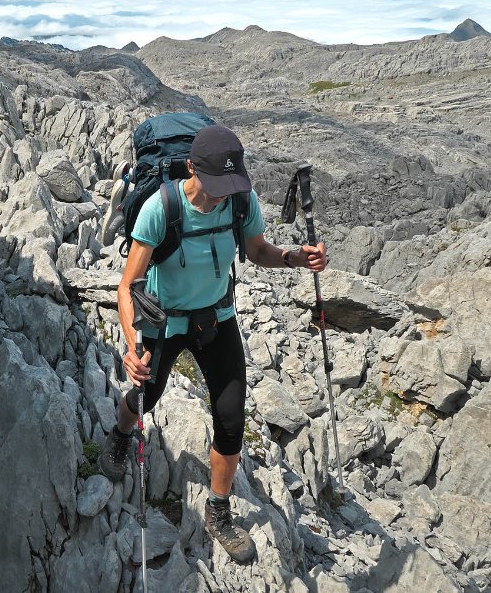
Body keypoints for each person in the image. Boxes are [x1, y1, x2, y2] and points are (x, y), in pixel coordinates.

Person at [98, 125, 327, 563]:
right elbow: (128, 285)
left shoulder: (242, 201)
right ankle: (121, 433)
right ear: (191, 168)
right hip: (164, 322)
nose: (224, 194)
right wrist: (131, 344)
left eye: (231, 184)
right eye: (217, 185)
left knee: (230, 416)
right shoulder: (160, 208)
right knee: (146, 395)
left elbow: (258, 250)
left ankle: (219, 511)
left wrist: (293, 257)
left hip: (217, 320)